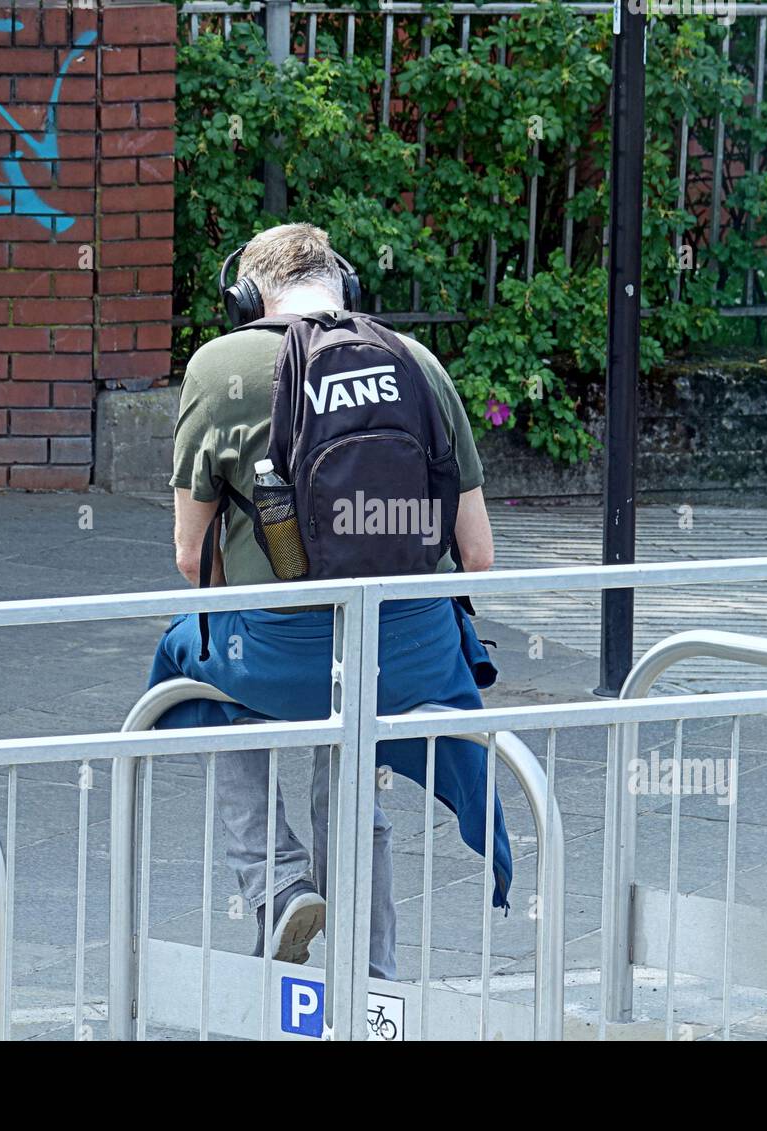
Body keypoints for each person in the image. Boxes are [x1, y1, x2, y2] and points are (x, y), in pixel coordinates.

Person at [147, 222, 511, 981]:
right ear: (343, 281)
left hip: (277, 652)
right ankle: (371, 974)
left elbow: (189, 557)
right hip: (405, 652)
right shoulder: (418, 364)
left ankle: (278, 883)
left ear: (248, 296)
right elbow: (477, 553)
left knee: (195, 670)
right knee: (353, 747)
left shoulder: (219, 368)